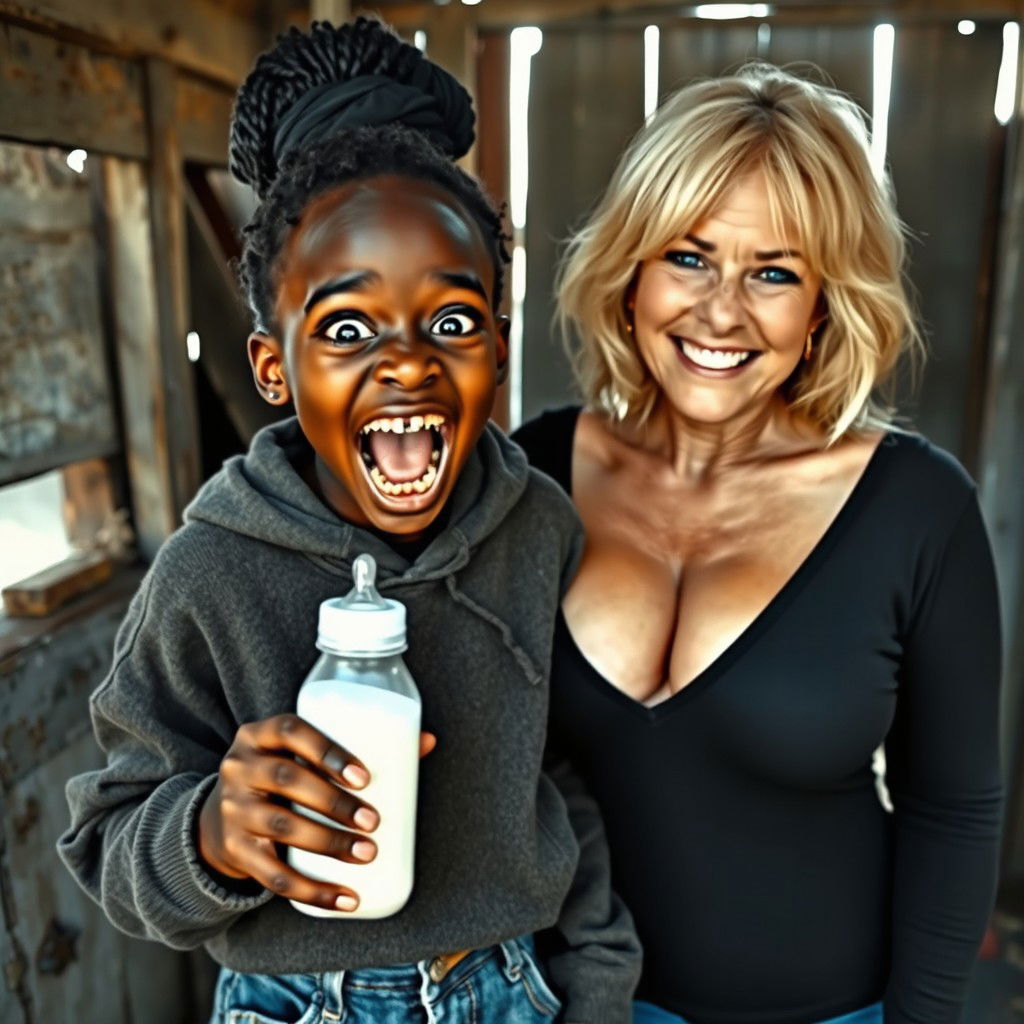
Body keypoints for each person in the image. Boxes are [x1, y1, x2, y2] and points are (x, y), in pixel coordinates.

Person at [58, 18, 640, 1024]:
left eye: (451, 321)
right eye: (346, 327)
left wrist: (595, 978)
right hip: (293, 1000)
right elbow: (109, 838)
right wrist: (210, 834)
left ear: (499, 348)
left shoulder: (536, 529)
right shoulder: (212, 573)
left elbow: (559, 771)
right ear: (273, 366)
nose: (407, 362)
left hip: (506, 986)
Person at [516, 64, 1002, 1024]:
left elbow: (954, 810)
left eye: (773, 272)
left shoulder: (916, 508)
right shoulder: (535, 474)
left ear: (823, 305)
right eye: (689, 258)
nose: (721, 311)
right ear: (632, 269)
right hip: (558, 1005)